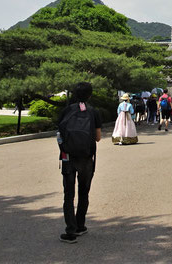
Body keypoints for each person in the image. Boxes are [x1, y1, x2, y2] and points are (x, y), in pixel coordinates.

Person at [58, 82, 102, 244]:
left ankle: (70, 231)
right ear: (90, 95)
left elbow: (59, 133)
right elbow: (97, 137)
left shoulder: (66, 110)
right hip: (86, 157)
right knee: (83, 192)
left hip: (68, 157)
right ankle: (80, 225)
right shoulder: (93, 112)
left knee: (68, 195)